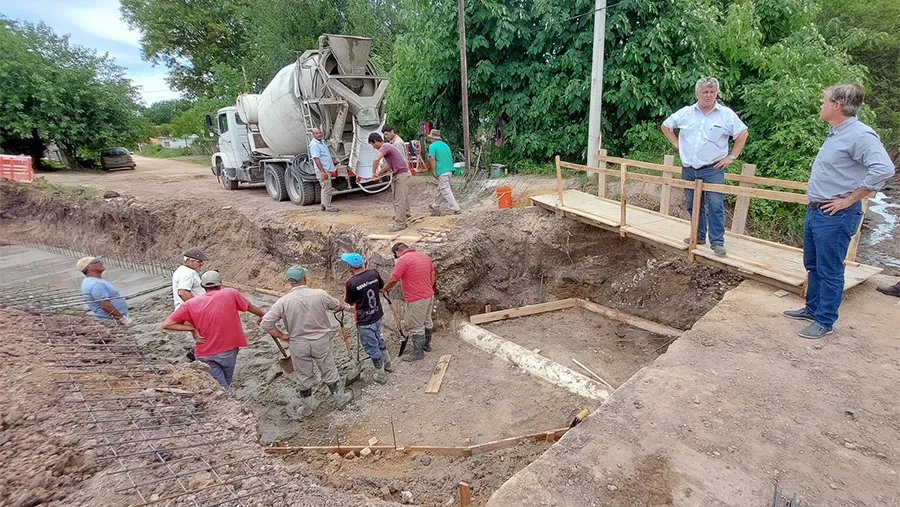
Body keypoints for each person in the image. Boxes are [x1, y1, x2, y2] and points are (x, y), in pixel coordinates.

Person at [783, 83, 894, 339]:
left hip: (836, 214)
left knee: (830, 268)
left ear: (837, 105)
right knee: (813, 264)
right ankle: (812, 309)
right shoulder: (836, 132)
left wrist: (848, 200)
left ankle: (824, 320)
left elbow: (884, 169)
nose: (820, 106)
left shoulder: (860, 135)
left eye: (824, 101)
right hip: (817, 211)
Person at [661, 77, 749, 257]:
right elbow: (666, 126)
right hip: (689, 168)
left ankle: (717, 242)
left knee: (716, 205)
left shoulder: (725, 114)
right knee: (693, 204)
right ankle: (699, 235)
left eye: (712, 92)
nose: (709, 95)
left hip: (713, 169)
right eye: (705, 92)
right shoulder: (686, 113)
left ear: (716, 93)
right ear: (697, 94)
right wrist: (676, 143)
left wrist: (731, 157)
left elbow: (742, 133)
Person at [260, 266, 352, 417]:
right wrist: (339, 307)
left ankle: (307, 409)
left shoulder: (283, 302)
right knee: (328, 369)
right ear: (305, 278)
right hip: (320, 341)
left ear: (290, 282)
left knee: (303, 376)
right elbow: (336, 305)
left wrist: (282, 335)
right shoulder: (319, 294)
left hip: (298, 343)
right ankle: (340, 400)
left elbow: (266, 324)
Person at [161, 271, 266, 393]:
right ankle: (228, 401)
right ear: (220, 283)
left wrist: (192, 328)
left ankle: (226, 395)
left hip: (204, 353)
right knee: (225, 384)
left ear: (202, 286)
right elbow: (249, 307)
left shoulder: (190, 304)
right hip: (228, 350)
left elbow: (166, 324)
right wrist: (262, 315)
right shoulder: (230, 293)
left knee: (221, 384)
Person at [341, 252, 393, 384]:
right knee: (378, 339)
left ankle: (381, 375)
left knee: (371, 346)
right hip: (377, 314)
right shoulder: (373, 273)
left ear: (351, 266)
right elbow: (380, 288)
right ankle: (388, 365)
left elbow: (349, 301)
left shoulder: (351, 282)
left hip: (364, 320)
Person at [380, 243, 435, 362]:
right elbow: (432, 273)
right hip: (429, 295)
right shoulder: (424, 255)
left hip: (416, 299)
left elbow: (394, 278)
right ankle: (426, 345)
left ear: (397, 252)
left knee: (416, 326)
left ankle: (418, 352)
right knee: (427, 320)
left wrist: (385, 288)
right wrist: (428, 288)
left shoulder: (403, 260)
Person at [370, 132, 411, 232]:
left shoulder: (385, 146)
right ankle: (402, 217)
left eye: (372, 145)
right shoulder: (388, 147)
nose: (374, 147)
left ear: (375, 141)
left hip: (402, 175)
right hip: (400, 175)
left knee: (399, 200)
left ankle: (400, 223)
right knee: (398, 199)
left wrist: (373, 172)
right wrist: (379, 172)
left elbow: (376, 159)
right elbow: (389, 165)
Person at [172, 247, 208, 361]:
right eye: (199, 261)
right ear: (188, 260)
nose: (201, 264)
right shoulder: (188, 273)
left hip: (189, 310)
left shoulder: (183, 271)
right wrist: (197, 308)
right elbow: (183, 292)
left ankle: (198, 355)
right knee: (205, 336)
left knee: (202, 336)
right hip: (192, 311)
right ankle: (195, 355)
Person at [77, 256, 132, 326]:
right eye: (97, 262)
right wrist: (122, 318)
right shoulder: (96, 284)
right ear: (89, 267)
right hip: (112, 321)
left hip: (111, 319)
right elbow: (104, 305)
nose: (101, 263)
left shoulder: (90, 281)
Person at [427, 129, 461, 215]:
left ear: (432, 138)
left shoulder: (432, 146)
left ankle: (456, 208)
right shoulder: (446, 146)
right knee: (441, 189)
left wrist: (433, 170)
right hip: (449, 169)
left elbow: (432, 158)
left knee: (445, 190)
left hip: (441, 170)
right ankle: (435, 205)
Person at [308, 127, 339, 212]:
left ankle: (323, 205)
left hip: (326, 169)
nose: (319, 134)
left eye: (320, 132)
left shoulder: (321, 142)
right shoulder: (314, 145)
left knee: (325, 188)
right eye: (317, 133)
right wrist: (322, 172)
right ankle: (328, 206)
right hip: (323, 170)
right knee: (327, 189)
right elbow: (316, 159)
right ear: (313, 135)